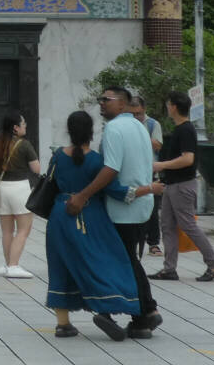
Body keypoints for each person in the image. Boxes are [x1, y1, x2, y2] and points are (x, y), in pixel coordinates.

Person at [66, 87, 163, 338]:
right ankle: (143, 315)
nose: (101, 103)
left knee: (118, 259)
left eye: (106, 100)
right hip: (140, 206)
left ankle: (127, 310)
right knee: (129, 258)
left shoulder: (115, 129)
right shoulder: (139, 127)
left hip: (124, 207)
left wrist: (83, 195)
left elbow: (111, 169)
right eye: (101, 99)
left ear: (122, 104)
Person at [44, 109, 141, 341]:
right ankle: (105, 311)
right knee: (100, 262)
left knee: (61, 264)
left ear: (69, 131)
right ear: (91, 132)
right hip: (90, 216)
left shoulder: (58, 156)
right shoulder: (97, 161)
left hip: (60, 215)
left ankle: (63, 324)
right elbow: (115, 190)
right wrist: (146, 190)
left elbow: (51, 182)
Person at [149, 90, 214, 282]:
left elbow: (187, 159)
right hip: (171, 185)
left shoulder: (186, 130)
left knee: (188, 226)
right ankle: (169, 269)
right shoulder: (179, 129)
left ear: (174, 106)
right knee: (166, 225)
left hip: (182, 186)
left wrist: (161, 165)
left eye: (168, 104)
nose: (167, 107)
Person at [0, 111, 40, 278]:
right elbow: (36, 169)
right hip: (20, 188)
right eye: (23, 124)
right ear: (16, 128)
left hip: (1, 188)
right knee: (23, 230)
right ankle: (14, 265)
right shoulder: (24, 145)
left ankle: (7, 263)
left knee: (7, 231)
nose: (25, 127)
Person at [132, 94, 163, 255]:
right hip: (133, 171)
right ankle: (136, 240)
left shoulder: (152, 124)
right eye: (134, 114)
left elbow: (158, 145)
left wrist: (141, 134)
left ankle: (153, 242)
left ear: (144, 109)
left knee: (152, 209)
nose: (136, 117)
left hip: (150, 171)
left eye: (139, 113)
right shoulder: (127, 125)